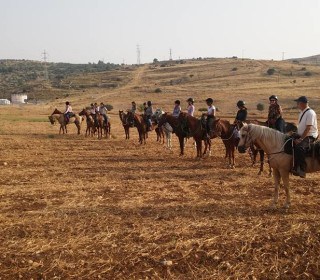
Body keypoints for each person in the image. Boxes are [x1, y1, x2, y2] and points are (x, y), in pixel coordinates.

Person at [292, 96, 318, 178]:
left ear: (302, 103)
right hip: (302, 134)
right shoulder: (302, 112)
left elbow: (308, 128)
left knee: (299, 147)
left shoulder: (310, 113)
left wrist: (301, 139)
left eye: (298, 103)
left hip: (310, 135)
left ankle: (302, 169)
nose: (297, 104)